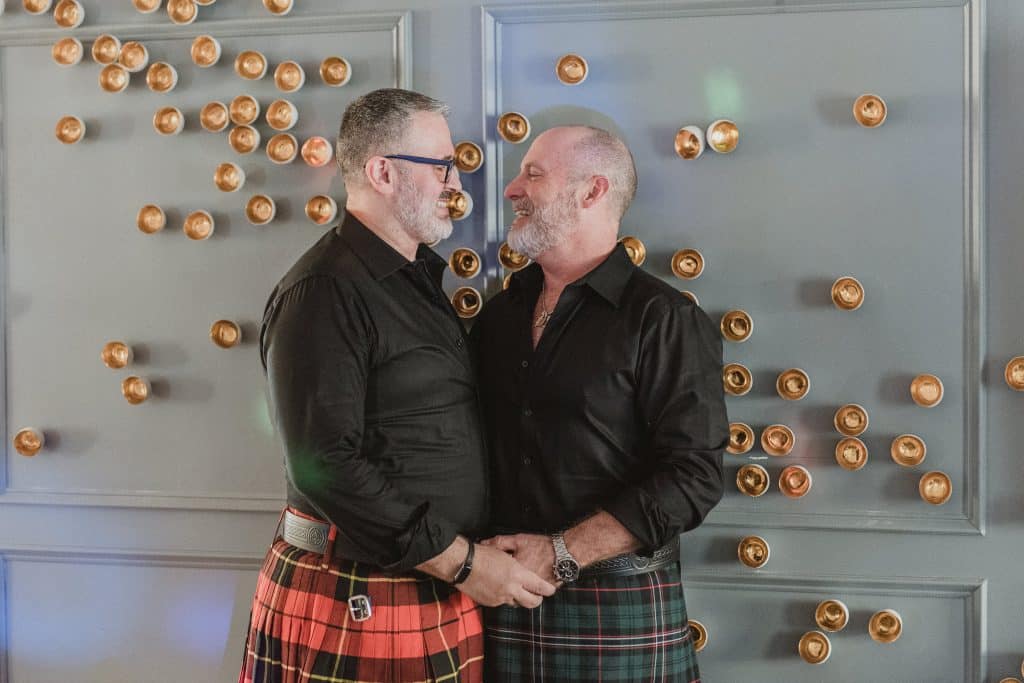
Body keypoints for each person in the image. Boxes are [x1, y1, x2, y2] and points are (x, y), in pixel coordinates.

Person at [239, 88, 555, 683]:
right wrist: (463, 564)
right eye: (440, 166)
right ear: (382, 173)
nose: (454, 184)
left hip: (428, 584)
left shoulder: (412, 280)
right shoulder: (325, 291)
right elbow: (324, 464)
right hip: (358, 589)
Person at [472, 125, 729, 682]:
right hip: (498, 598)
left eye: (533, 174)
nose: (512, 189)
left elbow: (694, 477)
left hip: (617, 605)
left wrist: (561, 551)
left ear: (592, 191)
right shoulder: (498, 317)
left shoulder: (664, 319)